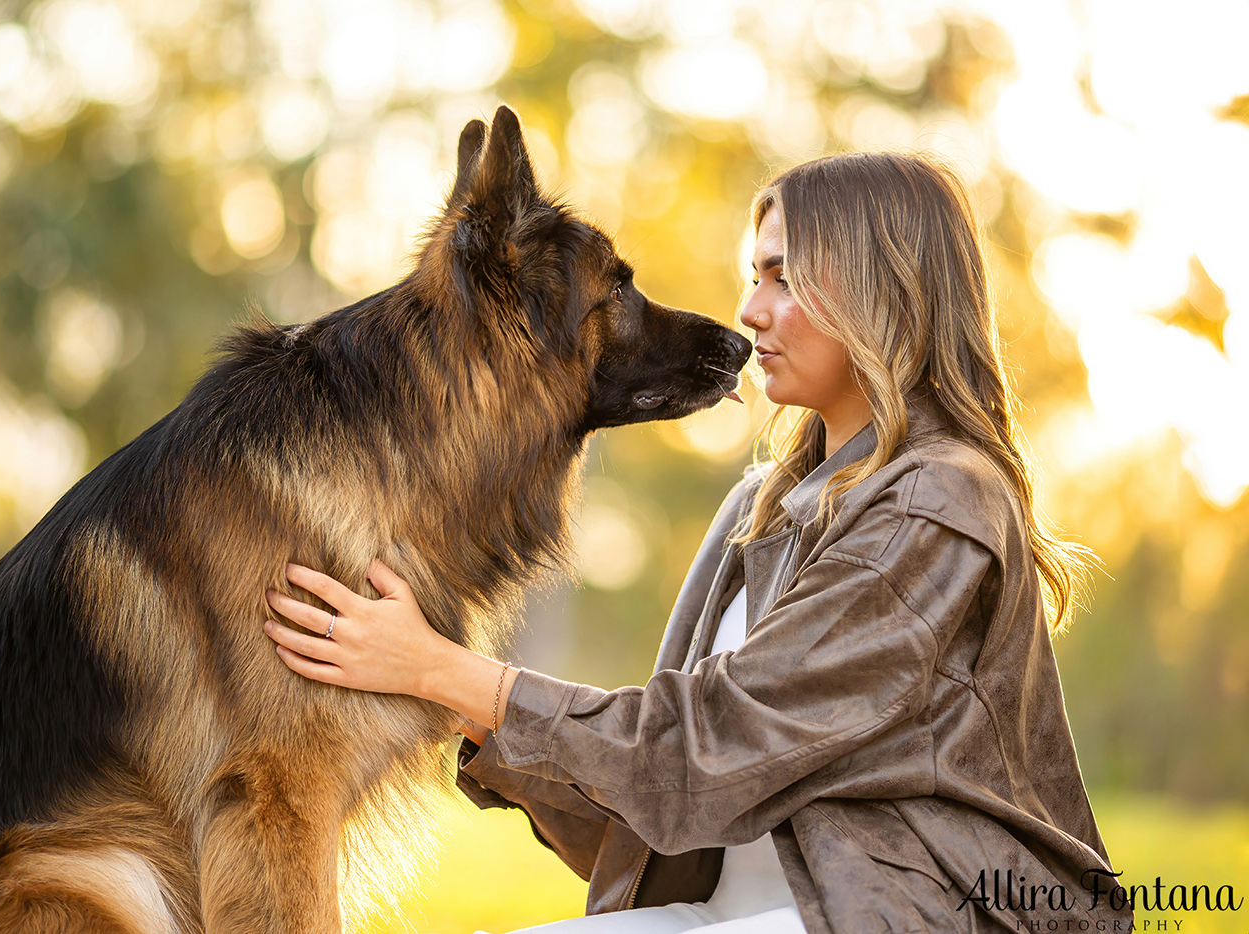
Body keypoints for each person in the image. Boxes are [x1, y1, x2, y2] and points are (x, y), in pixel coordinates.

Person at [263, 152, 1132, 933]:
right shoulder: (762, 507)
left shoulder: (938, 502)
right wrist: (463, 708)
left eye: (784, 277)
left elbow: (708, 748)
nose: (750, 311)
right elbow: (658, 808)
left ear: (884, 288)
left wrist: (444, 670)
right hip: (736, 911)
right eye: (754, 276)